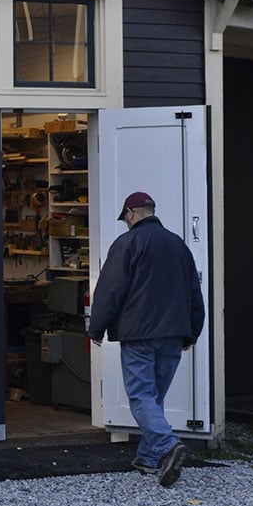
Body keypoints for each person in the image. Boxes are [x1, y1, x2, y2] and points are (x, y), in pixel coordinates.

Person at [88, 191, 205, 487]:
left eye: (125, 218)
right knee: (153, 399)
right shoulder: (178, 244)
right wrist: (192, 330)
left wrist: (95, 328)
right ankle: (148, 459)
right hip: (174, 333)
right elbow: (194, 291)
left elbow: (110, 290)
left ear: (130, 214)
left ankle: (168, 446)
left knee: (141, 397)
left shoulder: (127, 243)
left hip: (139, 333)